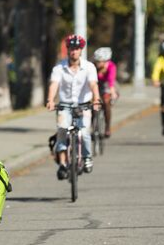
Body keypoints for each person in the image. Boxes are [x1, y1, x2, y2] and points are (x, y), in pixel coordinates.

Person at [46, 34, 102, 180]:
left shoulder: (89, 67)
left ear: (81, 50)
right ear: (68, 49)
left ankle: (87, 157)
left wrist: (96, 99)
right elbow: (54, 84)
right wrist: (51, 100)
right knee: (62, 131)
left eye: (77, 49)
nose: (74, 51)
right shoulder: (59, 67)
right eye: (71, 48)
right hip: (65, 105)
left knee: (84, 133)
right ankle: (63, 164)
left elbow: (93, 84)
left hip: (84, 105)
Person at [93, 47, 118, 138]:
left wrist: (112, 92)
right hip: (95, 85)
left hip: (107, 85)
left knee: (106, 102)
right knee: (92, 104)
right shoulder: (93, 67)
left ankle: (107, 127)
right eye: (97, 61)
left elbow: (111, 81)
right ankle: (93, 127)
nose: (98, 63)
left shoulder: (111, 66)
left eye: (100, 61)